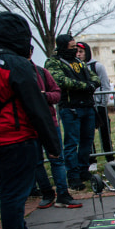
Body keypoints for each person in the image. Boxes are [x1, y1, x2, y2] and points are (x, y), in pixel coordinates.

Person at [0, 12, 62, 229]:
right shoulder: (17, 64)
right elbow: (36, 108)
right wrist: (52, 144)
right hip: (15, 136)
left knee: (6, 189)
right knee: (15, 192)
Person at [45, 34, 100, 190]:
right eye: (72, 47)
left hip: (87, 106)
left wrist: (92, 84)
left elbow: (94, 77)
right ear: (63, 47)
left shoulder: (78, 62)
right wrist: (85, 86)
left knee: (87, 141)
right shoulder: (54, 62)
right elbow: (60, 80)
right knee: (71, 143)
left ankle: (83, 170)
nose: (75, 50)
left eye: (76, 47)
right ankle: (73, 175)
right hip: (70, 108)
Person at [30, 46, 81, 209]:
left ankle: (63, 194)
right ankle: (47, 193)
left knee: (57, 158)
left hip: (49, 122)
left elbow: (56, 94)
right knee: (36, 161)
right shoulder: (17, 72)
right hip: (30, 124)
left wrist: (44, 96)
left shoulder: (42, 72)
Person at [77, 41, 115, 164]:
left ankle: (110, 157)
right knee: (87, 135)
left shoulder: (97, 66)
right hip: (84, 105)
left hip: (98, 105)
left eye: (81, 52)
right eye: (76, 52)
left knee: (105, 133)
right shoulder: (75, 67)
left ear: (87, 52)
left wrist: (102, 103)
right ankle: (91, 159)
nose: (78, 54)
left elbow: (105, 85)